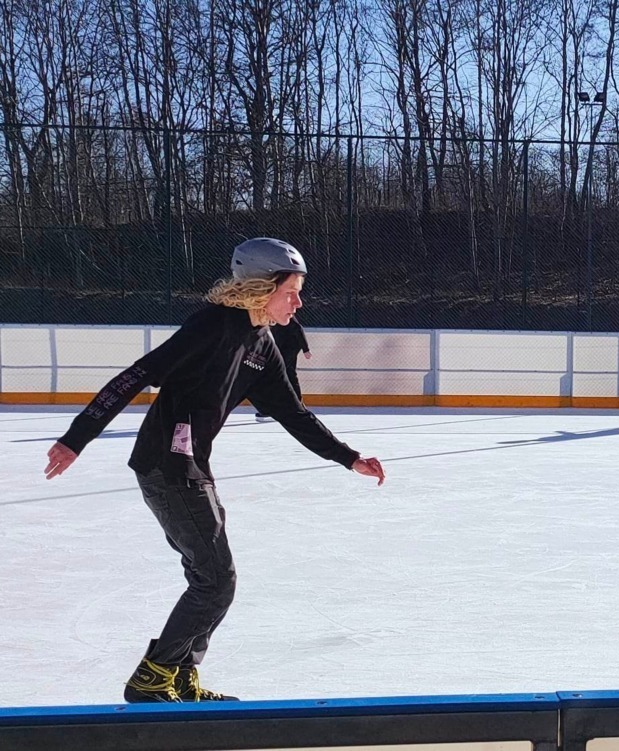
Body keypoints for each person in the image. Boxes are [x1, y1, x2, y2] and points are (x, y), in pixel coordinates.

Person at [43, 237, 386, 703]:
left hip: (190, 467)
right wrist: (77, 436)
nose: (299, 302)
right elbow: (137, 374)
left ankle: (182, 677)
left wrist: (348, 457)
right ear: (263, 288)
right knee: (216, 579)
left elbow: (292, 412)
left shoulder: (261, 344)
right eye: (292, 291)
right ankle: (154, 676)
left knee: (209, 577)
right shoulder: (213, 326)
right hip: (167, 467)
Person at [255, 315, 311, 422]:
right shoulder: (264, 314)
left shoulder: (282, 312)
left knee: (282, 374)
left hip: (291, 346)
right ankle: (297, 406)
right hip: (282, 346)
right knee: (285, 374)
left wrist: (306, 349)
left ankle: (281, 408)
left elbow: (298, 328)